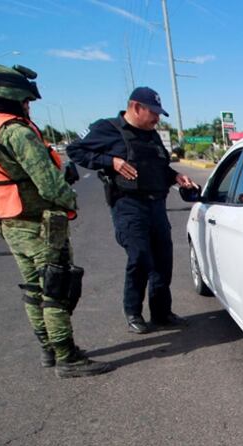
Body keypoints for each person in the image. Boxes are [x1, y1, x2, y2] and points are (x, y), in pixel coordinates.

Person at [0, 64, 112, 379]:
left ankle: (48, 350)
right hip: (38, 224)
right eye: (26, 100)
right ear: (13, 96)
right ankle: (67, 357)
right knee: (55, 289)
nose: (29, 106)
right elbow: (49, 185)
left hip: (7, 222)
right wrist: (70, 200)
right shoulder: (16, 132)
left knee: (33, 289)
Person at [67, 87, 197, 334]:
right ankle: (134, 313)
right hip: (128, 205)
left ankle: (161, 312)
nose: (158, 118)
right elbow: (76, 150)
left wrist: (176, 176)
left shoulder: (151, 135)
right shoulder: (108, 129)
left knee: (162, 259)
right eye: (154, 112)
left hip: (156, 205)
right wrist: (111, 162)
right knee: (139, 258)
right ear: (136, 107)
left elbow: (158, 167)